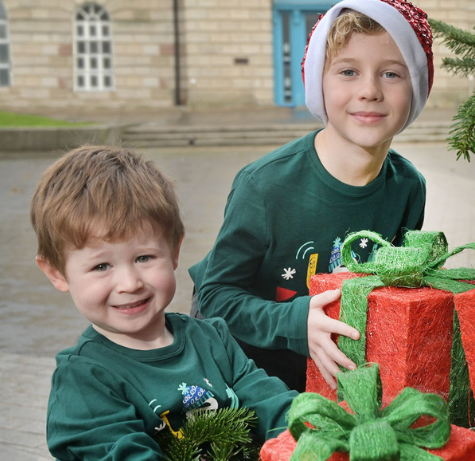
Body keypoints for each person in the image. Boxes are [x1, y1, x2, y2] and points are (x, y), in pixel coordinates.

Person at [188, 0, 432, 392]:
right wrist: (296, 320)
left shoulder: (408, 188)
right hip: (247, 370)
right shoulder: (264, 186)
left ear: (417, 87)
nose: (369, 91)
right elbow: (216, 296)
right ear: (318, 83)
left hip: (333, 364)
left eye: (391, 74)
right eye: (348, 71)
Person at [31, 146, 297, 460]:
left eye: (144, 257)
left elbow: (273, 406)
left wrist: (311, 430)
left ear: (174, 250)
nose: (130, 284)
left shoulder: (213, 339)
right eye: (101, 266)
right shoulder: (84, 380)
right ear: (56, 272)